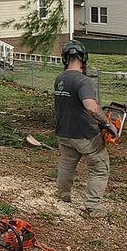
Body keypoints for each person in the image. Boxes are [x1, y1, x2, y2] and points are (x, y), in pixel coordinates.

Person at [53, 40, 110, 218]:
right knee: (99, 167)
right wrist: (107, 124)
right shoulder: (83, 80)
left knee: (67, 163)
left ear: (65, 58)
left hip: (63, 131)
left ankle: (62, 196)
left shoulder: (59, 78)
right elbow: (91, 107)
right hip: (84, 134)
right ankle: (92, 206)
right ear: (83, 58)